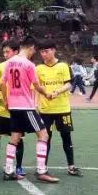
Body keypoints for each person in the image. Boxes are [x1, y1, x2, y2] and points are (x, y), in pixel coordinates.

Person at [1, 36, 58, 183]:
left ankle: (8, 171)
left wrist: (6, 100)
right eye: (35, 50)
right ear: (31, 47)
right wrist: (47, 94)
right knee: (43, 135)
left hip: (13, 106)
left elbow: (2, 83)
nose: (34, 53)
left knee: (15, 137)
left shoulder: (9, 62)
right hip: (26, 106)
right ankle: (41, 171)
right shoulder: (29, 64)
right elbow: (37, 86)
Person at [37, 42, 82, 176]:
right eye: (41, 52)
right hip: (45, 110)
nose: (44, 54)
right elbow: (37, 86)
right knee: (45, 138)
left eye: (46, 51)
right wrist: (42, 96)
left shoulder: (63, 65)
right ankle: (43, 167)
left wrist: (57, 91)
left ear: (53, 50)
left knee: (66, 137)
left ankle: (71, 166)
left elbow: (68, 84)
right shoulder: (38, 68)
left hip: (62, 108)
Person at [0, 43, 22, 175]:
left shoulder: (23, 66)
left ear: (16, 51)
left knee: (18, 138)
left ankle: (19, 166)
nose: (5, 55)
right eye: (4, 52)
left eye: (8, 52)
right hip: (0, 110)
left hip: (17, 110)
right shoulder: (0, 67)